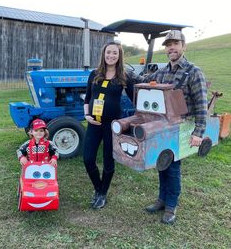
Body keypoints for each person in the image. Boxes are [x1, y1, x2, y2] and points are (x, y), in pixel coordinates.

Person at [144, 30, 207, 224]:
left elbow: (201, 104)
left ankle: (171, 206)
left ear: (183, 46)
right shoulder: (162, 72)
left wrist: (198, 132)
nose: (171, 47)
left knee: (173, 167)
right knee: (161, 163)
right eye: (168, 44)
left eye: (175, 43)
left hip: (181, 127)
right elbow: (145, 81)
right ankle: (162, 200)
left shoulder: (193, 72)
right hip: (163, 126)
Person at [83, 41, 135, 209]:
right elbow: (87, 98)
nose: (111, 55)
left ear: (119, 56)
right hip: (94, 123)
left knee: (108, 160)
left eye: (114, 53)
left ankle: (102, 194)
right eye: (108, 52)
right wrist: (86, 115)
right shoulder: (94, 74)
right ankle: (99, 189)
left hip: (112, 126)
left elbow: (136, 97)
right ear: (103, 54)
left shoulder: (124, 76)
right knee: (88, 158)